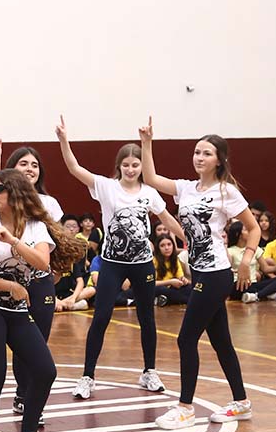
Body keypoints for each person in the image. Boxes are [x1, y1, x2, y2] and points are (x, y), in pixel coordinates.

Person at [139, 119, 258, 430]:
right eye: (196, 152)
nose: (199, 157)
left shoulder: (227, 192)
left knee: (186, 338)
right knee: (221, 342)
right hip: (200, 272)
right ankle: (241, 402)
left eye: (206, 153)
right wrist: (147, 143)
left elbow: (254, 227)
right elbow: (150, 178)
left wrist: (246, 260)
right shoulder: (186, 188)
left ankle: (185, 408)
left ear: (219, 160)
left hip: (216, 274)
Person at [56, 115, 185, 400]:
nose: (130, 169)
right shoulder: (106, 187)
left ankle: (149, 371)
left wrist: (187, 238)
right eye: (126, 165)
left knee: (147, 317)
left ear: (141, 167)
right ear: (119, 167)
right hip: (113, 264)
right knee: (101, 316)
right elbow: (74, 168)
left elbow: (166, 218)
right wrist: (64, 140)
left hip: (142, 264)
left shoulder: (150, 192)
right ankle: (87, 376)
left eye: (135, 164)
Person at [0, 169, 84, 432]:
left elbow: (42, 263)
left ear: (16, 193)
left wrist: (13, 241)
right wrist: (10, 286)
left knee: (45, 370)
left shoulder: (36, 228)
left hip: (17, 311)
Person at [0, 139, 68, 417]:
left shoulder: (49, 203)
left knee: (37, 342)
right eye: (23, 163)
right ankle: (23, 394)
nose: (30, 168)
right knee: (20, 344)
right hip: (10, 280)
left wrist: (58, 268)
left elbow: (60, 240)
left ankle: (31, 398)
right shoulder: (0, 201)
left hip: (41, 280)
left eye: (35, 165)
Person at [54, 215, 91, 311]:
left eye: (74, 226)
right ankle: (61, 304)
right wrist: (55, 299)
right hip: (52, 294)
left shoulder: (71, 258)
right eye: (68, 226)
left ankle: (64, 304)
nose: (71, 229)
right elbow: (46, 285)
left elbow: (80, 280)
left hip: (68, 293)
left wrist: (73, 298)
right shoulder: (53, 256)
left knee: (90, 291)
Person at [226, 221, 260, 301]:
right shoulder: (230, 251)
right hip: (238, 283)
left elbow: (266, 268)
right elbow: (228, 269)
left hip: (253, 283)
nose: (249, 233)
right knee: (246, 286)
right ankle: (265, 293)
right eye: (246, 230)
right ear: (238, 234)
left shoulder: (254, 248)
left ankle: (256, 295)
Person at [153, 235, 190, 306]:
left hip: (172, 287)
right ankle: (185, 300)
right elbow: (151, 284)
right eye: (162, 246)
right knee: (162, 289)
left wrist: (183, 280)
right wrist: (170, 282)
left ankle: (164, 300)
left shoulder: (175, 259)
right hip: (159, 288)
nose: (167, 248)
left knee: (189, 287)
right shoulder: (154, 261)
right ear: (158, 248)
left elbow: (180, 277)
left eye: (169, 244)